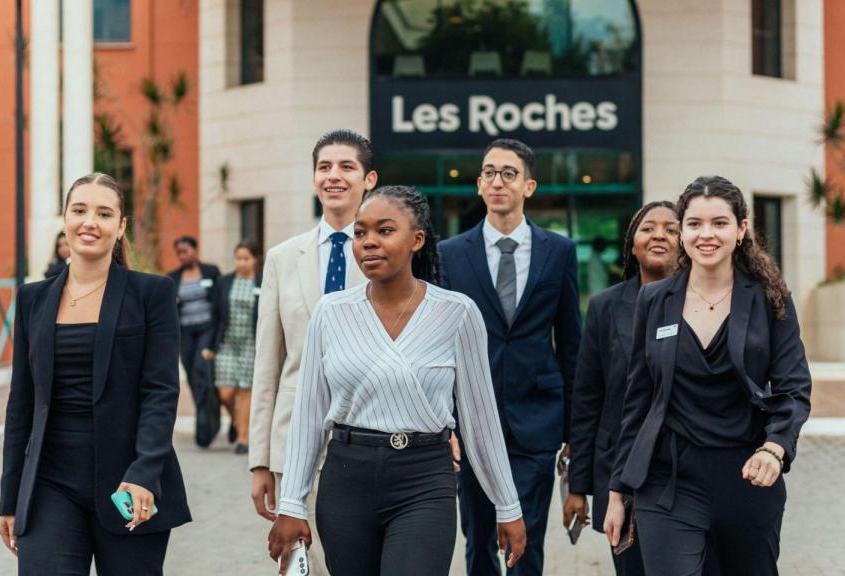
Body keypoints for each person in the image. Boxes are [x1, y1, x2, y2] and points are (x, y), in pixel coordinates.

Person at [269, 186, 526, 576]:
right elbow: (309, 416)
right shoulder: (331, 312)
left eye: (385, 231)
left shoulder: (457, 314)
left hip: (424, 479)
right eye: (360, 232)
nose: (368, 242)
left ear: (417, 240)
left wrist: (506, 505)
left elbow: (481, 420)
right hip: (345, 480)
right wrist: (291, 504)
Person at [603, 176, 812, 575]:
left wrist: (776, 447)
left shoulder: (770, 299)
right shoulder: (655, 300)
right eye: (695, 224)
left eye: (719, 223)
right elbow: (638, 402)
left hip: (747, 477)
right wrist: (618, 490)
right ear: (682, 231)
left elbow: (793, 386)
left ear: (741, 230)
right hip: (668, 481)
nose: (707, 234)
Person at [0, 172, 191, 575]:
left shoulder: (151, 293)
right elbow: (22, 403)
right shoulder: (33, 299)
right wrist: (10, 497)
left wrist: (144, 472)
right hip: (49, 484)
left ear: (120, 227)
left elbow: (160, 392)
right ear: (65, 219)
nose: (90, 222)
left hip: (128, 482)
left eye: (104, 213)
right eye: (80, 210)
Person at [439, 138, 581, 576]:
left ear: (529, 186)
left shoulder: (559, 252)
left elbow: (570, 344)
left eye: (509, 173)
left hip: (536, 419)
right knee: (478, 541)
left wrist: (575, 432)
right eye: (489, 173)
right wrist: (445, 422)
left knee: (527, 538)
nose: (497, 181)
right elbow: (439, 346)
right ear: (479, 186)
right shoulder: (448, 254)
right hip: (471, 422)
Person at [249, 129, 378, 576]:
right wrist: (260, 460)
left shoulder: (390, 255)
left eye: (347, 167)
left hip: (369, 437)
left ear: (369, 180)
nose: (334, 176)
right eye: (324, 167)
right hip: (294, 443)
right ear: (313, 179)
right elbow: (268, 364)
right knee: (308, 563)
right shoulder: (283, 258)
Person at [564, 201, 679, 576]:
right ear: (632, 245)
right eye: (648, 228)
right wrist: (577, 485)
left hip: (685, 469)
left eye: (671, 229)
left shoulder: (703, 303)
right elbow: (587, 399)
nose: (659, 234)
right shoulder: (605, 306)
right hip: (622, 472)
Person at [167, 235, 223, 448]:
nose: (182, 256)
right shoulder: (172, 278)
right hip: (185, 333)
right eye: (178, 253)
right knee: (192, 376)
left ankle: (204, 427)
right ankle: (208, 416)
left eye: (185, 251)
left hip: (206, 329)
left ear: (195, 250)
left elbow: (219, 304)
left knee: (202, 373)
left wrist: (217, 338)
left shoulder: (211, 272)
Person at [214, 240, 263, 455]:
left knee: (245, 391)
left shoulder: (262, 282)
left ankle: (243, 438)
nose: (241, 262)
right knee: (225, 393)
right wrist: (210, 345)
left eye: (246, 258)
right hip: (227, 342)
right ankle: (236, 422)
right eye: (238, 258)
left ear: (255, 259)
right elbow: (215, 315)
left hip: (251, 343)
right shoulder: (224, 282)